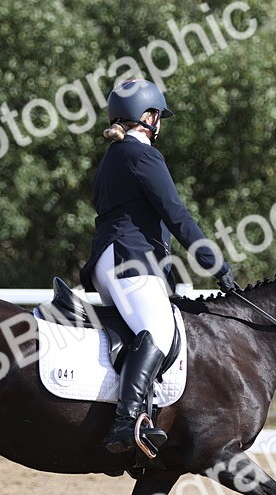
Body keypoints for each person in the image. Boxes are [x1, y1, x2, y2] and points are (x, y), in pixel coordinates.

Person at [81, 78, 237, 455]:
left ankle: (144, 410)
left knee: (147, 331)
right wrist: (212, 261)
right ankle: (126, 421)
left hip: (110, 261)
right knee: (157, 331)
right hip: (129, 260)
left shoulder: (112, 158)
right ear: (149, 116)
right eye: (158, 115)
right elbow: (175, 212)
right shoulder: (142, 154)